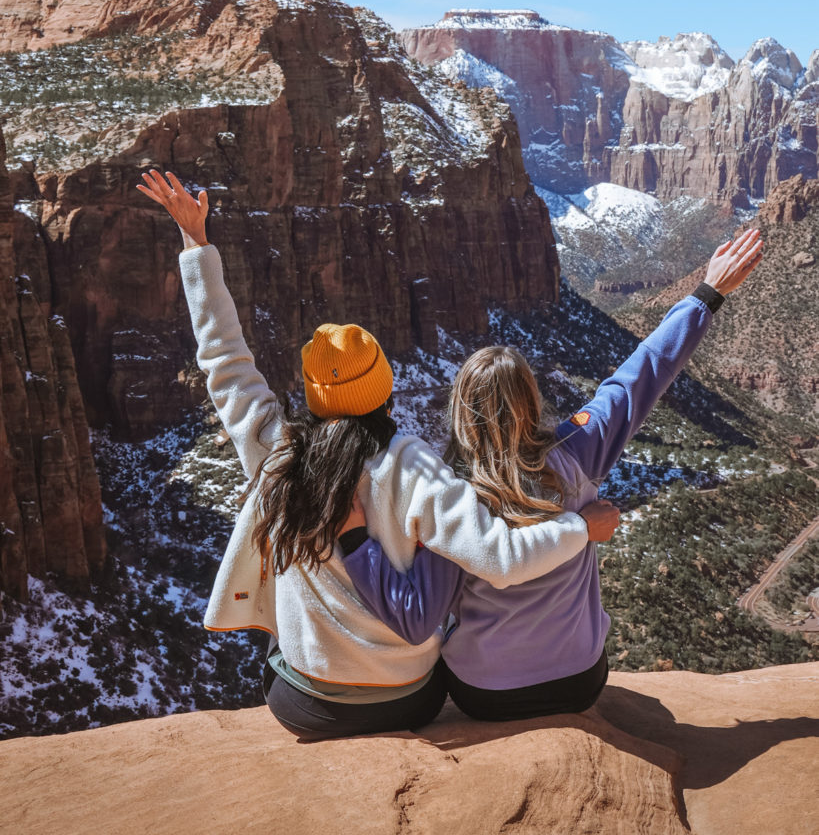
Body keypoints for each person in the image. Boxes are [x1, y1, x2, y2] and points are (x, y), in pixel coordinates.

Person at [135, 169, 621, 740]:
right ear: (385, 391)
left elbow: (224, 362)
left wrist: (197, 245)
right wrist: (580, 529)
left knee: (276, 654)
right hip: (404, 700)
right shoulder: (412, 466)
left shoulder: (276, 449)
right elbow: (503, 560)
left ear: (315, 395)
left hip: (306, 702)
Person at [337, 230, 764, 720]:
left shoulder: (450, 495)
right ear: (532, 401)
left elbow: (418, 615)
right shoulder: (579, 450)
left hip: (484, 694)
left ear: (459, 412)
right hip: (579, 682)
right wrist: (707, 294)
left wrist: (353, 541)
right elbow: (643, 372)